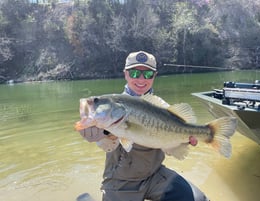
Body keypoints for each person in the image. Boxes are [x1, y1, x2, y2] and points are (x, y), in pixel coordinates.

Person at [79, 51, 209, 201]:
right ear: (126, 74)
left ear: (154, 76)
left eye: (147, 74)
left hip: (155, 176)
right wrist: (106, 134)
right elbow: (107, 146)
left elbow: (170, 149)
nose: (141, 79)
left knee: (198, 199)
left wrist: (183, 140)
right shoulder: (110, 108)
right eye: (134, 73)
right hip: (122, 182)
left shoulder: (162, 107)